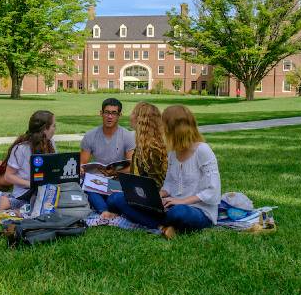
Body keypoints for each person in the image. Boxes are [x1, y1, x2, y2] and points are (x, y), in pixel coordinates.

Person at [107, 105, 220, 238]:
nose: (161, 128)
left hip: (197, 210)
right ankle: (162, 227)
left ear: (173, 128)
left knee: (179, 213)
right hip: (169, 205)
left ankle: (151, 222)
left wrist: (181, 201)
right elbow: (169, 185)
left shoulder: (203, 150)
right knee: (116, 198)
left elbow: (213, 191)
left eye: (164, 124)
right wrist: (156, 197)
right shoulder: (173, 152)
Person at [104, 102, 167, 218]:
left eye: (133, 113)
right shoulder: (142, 145)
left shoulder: (153, 149)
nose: (130, 116)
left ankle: (158, 225)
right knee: (100, 189)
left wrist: (131, 192)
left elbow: (155, 185)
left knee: (114, 199)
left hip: (150, 199)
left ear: (140, 119)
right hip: (137, 192)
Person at [0, 110, 56, 210]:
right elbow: (8, 176)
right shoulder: (21, 148)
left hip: (47, 189)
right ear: (45, 129)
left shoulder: (51, 143)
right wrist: (31, 184)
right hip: (25, 193)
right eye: (53, 126)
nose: (55, 129)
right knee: (3, 205)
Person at [80, 98, 135, 212]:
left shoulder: (127, 136)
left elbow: (132, 167)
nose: (110, 117)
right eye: (107, 112)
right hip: (97, 181)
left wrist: (115, 172)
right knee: (86, 185)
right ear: (101, 113)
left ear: (119, 115)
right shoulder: (90, 135)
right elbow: (82, 164)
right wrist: (83, 170)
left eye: (114, 113)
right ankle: (105, 211)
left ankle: (104, 208)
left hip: (117, 181)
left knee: (116, 198)